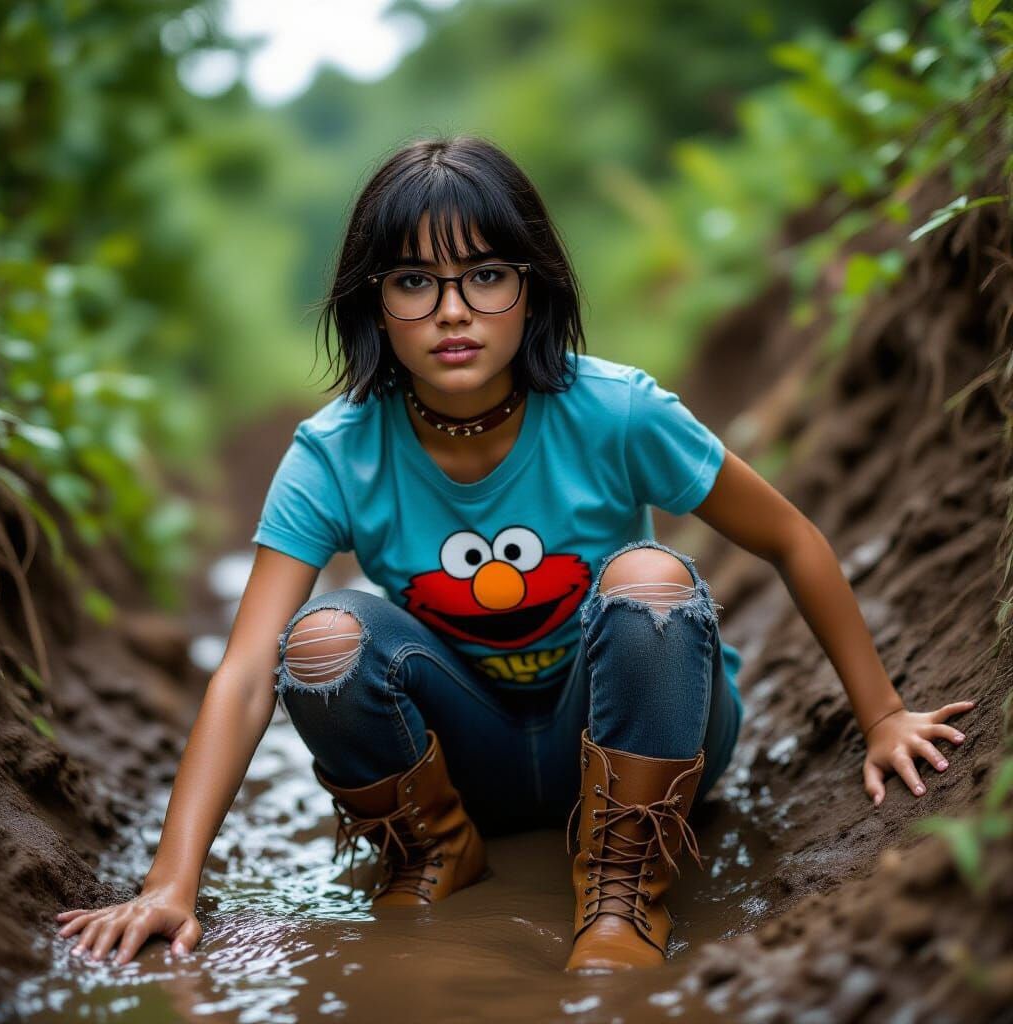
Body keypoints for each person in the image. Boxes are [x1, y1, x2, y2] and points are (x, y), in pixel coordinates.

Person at [56, 134, 976, 974]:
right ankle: (434, 851)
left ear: (533, 285)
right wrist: (171, 884)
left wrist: (883, 715)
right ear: (374, 301)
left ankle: (623, 891)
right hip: (472, 757)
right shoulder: (336, 452)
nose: (453, 311)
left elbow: (789, 537)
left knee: (652, 580)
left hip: (645, 730)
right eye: (414, 282)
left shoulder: (616, 410)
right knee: (321, 640)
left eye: (486, 275)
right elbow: (246, 670)